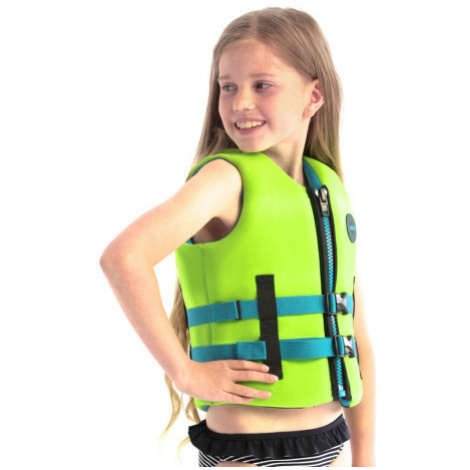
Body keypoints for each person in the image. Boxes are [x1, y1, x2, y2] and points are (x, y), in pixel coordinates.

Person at [100, 7, 376, 467]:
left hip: (328, 442)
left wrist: (365, 459)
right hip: (248, 451)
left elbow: (355, 337)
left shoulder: (328, 192)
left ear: (313, 96)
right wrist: (185, 372)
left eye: (261, 85)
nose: (239, 102)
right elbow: (123, 257)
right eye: (227, 87)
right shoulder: (225, 180)